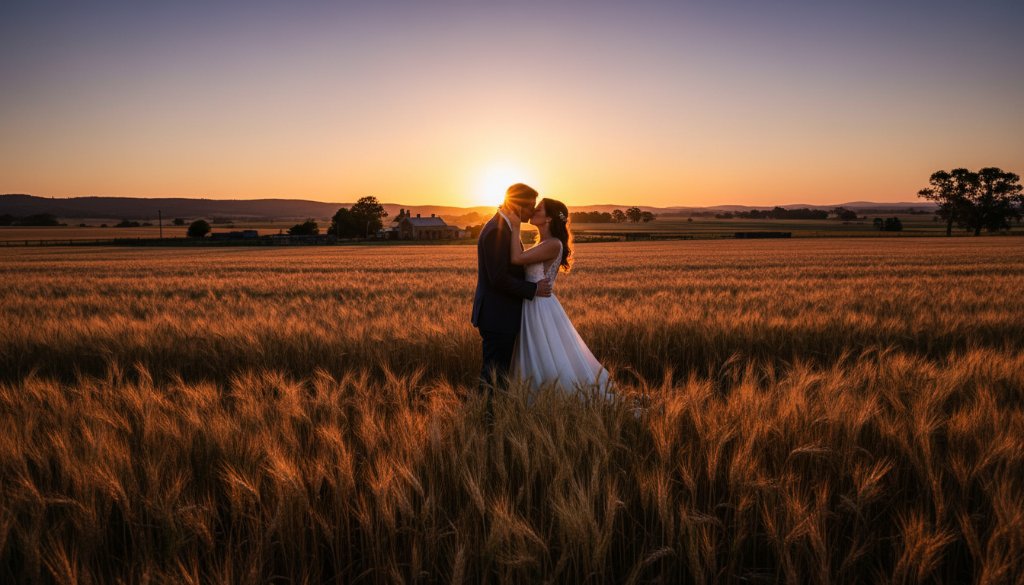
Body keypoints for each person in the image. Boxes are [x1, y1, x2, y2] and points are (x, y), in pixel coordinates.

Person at [505, 197, 613, 398]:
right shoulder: (545, 242)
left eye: (538, 209)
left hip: (539, 307)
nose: (532, 210)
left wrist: (515, 226)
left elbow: (516, 259)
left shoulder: (553, 244)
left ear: (548, 219)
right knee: (536, 354)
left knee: (543, 353)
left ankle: (553, 399)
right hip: (533, 303)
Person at [471, 183, 552, 417]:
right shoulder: (497, 230)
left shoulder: (505, 227)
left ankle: (491, 416)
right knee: (494, 373)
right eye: (529, 206)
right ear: (516, 204)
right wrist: (533, 289)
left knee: (498, 372)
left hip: (501, 314)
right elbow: (498, 278)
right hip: (498, 316)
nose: (532, 211)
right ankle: (485, 418)